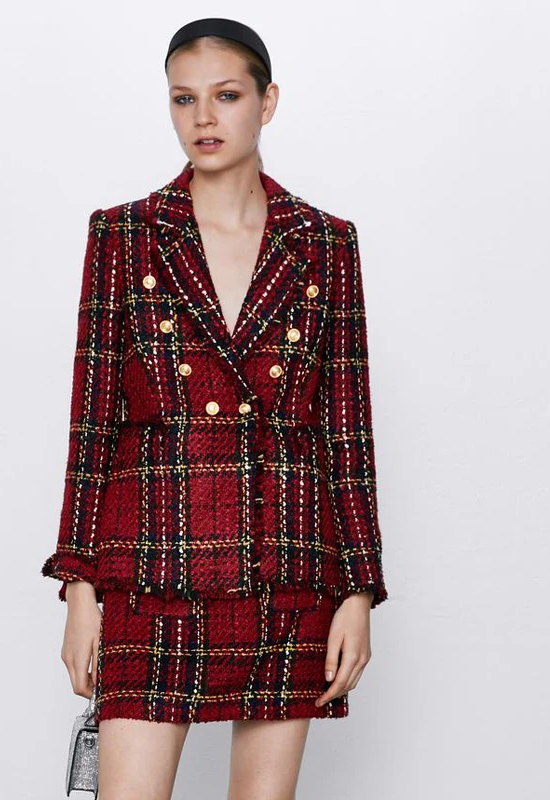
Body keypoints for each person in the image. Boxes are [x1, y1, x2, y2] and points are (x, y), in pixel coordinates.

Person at [41, 17, 388, 799]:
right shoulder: (123, 235)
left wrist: (359, 590)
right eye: (183, 98)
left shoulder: (326, 243)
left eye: (226, 96)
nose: (203, 117)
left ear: (268, 102)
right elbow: (92, 423)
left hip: (286, 570)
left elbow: (347, 429)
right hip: (150, 569)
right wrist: (80, 587)